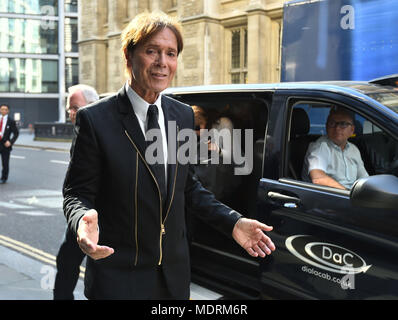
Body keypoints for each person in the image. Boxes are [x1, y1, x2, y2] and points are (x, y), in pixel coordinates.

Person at [63, 11, 275, 300]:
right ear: (129, 54)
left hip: (173, 278)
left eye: (170, 53)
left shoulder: (182, 115)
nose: (163, 62)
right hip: (118, 277)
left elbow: (187, 187)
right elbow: (76, 193)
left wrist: (233, 222)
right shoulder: (95, 119)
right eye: (152, 51)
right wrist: (82, 219)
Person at [54, 84, 99, 300]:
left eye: (75, 107)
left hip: (100, 215)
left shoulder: (103, 132)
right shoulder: (81, 131)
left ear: (92, 106)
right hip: (81, 214)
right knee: (65, 261)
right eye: (69, 108)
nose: (71, 113)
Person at [302, 106, 368, 190]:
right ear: (326, 127)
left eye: (343, 124)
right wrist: (346, 194)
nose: (337, 128)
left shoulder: (353, 149)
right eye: (332, 123)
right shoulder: (321, 147)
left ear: (352, 130)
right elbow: (318, 179)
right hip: (330, 198)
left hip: (352, 197)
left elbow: (364, 179)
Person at [0, 104, 19, 184]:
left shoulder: (11, 121)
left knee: (5, 163)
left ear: (8, 111)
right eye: (2, 109)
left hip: (5, 145)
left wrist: (10, 142)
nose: (3, 111)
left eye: (5, 109)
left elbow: (16, 133)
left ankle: (4, 178)